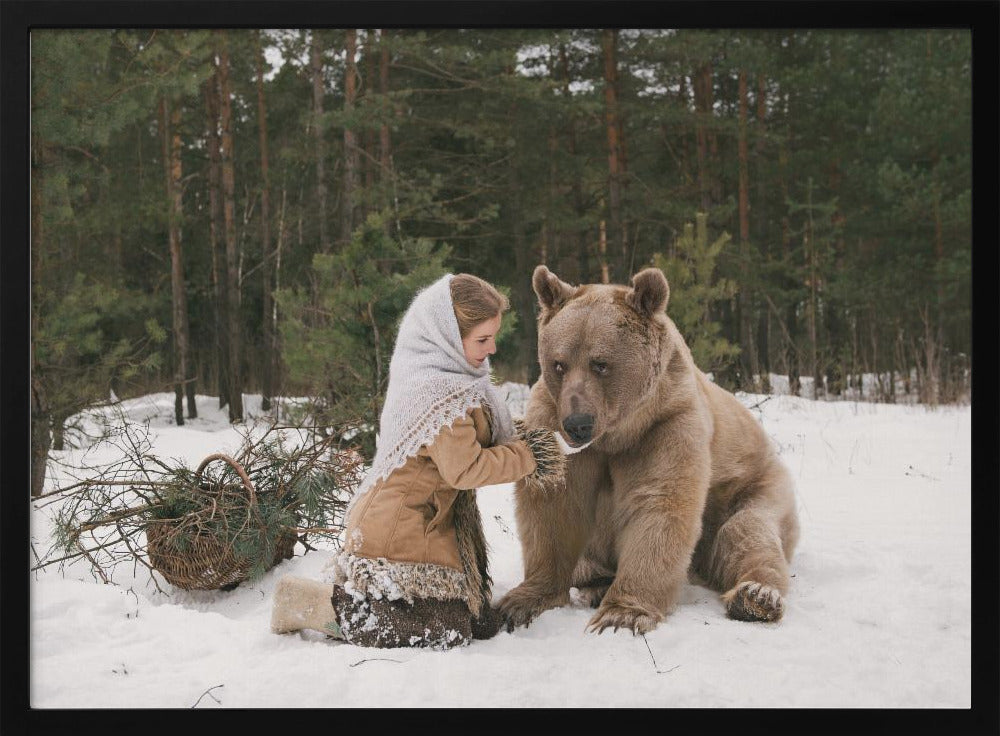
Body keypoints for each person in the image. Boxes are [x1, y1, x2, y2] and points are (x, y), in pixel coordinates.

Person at [270, 273, 565, 649]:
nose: (491, 349)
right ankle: (313, 605)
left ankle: (380, 604)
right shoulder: (439, 393)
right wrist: (533, 454)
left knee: (474, 623)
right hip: (399, 528)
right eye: (482, 339)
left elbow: (479, 438)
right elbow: (466, 468)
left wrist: (537, 439)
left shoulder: (452, 377)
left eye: (493, 337)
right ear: (447, 337)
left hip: (424, 521)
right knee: (445, 629)